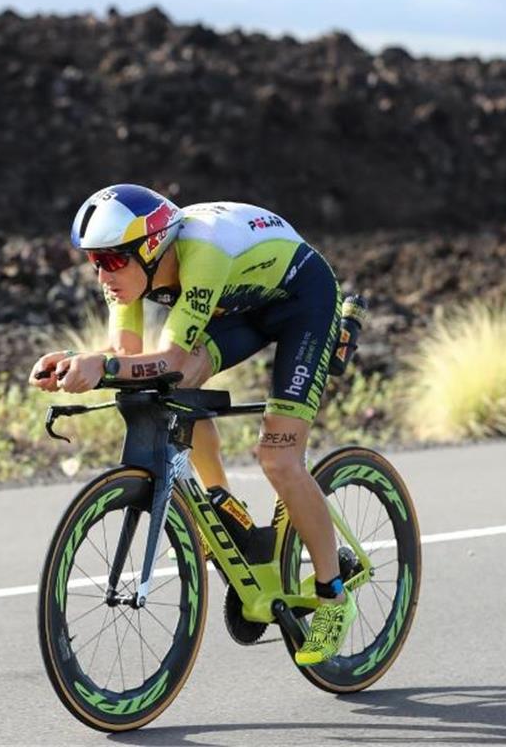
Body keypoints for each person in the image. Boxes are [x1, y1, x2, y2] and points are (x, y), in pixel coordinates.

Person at [28, 184, 355, 666]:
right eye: (94, 261)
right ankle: (223, 503)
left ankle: (332, 596)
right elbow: (129, 360)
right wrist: (81, 362)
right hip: (243, 306)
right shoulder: (126, 278)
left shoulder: (200, 254)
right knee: (170, 390)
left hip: (302, 301)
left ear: (151, 246)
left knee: (278, 458)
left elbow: (171, 360)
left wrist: (105, 367)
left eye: (113, 261)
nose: (102, 274)